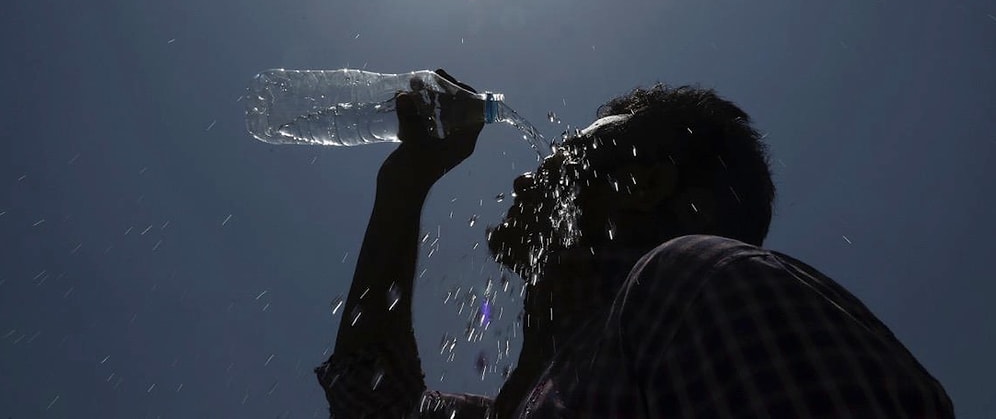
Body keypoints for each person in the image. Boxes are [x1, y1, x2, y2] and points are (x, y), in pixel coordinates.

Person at [316, 71, 954, 418]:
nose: (525, 175)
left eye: (569, 156)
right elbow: (373, 402)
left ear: (644, 185)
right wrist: (404, 183)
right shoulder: (539, 394)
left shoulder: (698, 287)